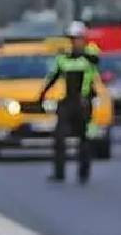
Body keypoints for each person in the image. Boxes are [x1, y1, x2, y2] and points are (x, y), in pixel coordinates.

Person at [37, 21, 101, 183]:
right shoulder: (63, 59)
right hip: (68, 102)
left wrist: (82, 52)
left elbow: (95, 59)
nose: (75, 42)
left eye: (78, 38)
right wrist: (42, 94)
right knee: (59, 137)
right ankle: (59, 173)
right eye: (72, 39)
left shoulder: (89, 55)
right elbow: (53, 77)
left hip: (84, 102)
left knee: (85, 139)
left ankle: (83, 173)